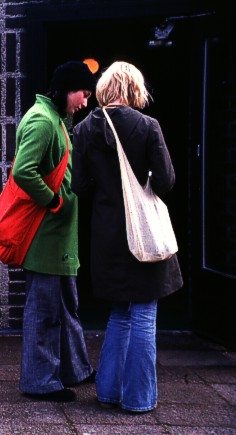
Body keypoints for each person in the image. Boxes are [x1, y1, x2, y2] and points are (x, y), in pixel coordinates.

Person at [72, 61, 183, 413]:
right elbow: (165, 182)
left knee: (120, 313)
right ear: (134, 89)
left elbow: (78, 186)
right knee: (145, 314)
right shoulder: (148, 126)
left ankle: (107, 391)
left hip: (107, 233)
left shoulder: (85, 129)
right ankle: (138, 399)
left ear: (105, 88)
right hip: (143, 234)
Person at [12, 60, 97, 402]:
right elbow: (23, 171)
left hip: (58, 237)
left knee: (65, 306)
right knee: (44, 311)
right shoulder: (42, 121)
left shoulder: (56, 119)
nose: (85, 102)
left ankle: (74, 370)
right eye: (83, 94)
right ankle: (38, 382)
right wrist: (53, 202)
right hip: (45, 237)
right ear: (65, 89)